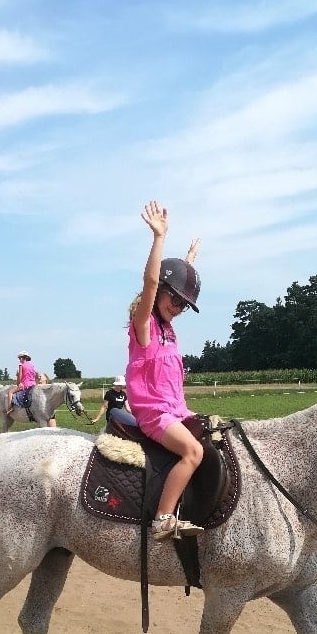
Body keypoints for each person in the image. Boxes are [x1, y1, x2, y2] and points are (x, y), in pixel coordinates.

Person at [125, 200, 203, 542]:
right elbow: (153, 281)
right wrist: (159, 238)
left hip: (176, 410)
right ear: (159, 294)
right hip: (154, 414)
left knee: (215, 436)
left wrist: (188, 265)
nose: (179, 307)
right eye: (175, 299)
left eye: (184, 304)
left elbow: (173, 286)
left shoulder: (169, 330)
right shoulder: (144, 327)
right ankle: (163, 519)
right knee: (193, 452)